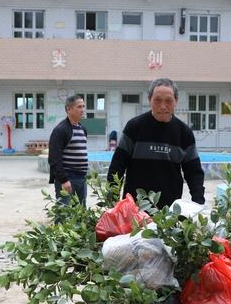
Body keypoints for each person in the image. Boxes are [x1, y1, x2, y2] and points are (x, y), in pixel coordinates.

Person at [107, 78, 205, 209]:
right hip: (135, 208)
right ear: (149, 99)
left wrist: (198, 204)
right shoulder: (134, 127)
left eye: (168, 101)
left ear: (176, 101)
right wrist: (112, 199)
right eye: (157, 100)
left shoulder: (184, 133)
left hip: (169, 211)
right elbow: (117, 166)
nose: (163, 106)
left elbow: (194, 173)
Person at [48, 95, 88, 206]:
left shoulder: (82, 129)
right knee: (64, 214)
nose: (82, 109)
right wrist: (64, 180)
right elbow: (54, 158)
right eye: (79, 107)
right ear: (69, 109)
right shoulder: (60, 130)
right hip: (68, 179)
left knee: (81, 213)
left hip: (81, 178)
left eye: (83, 106)